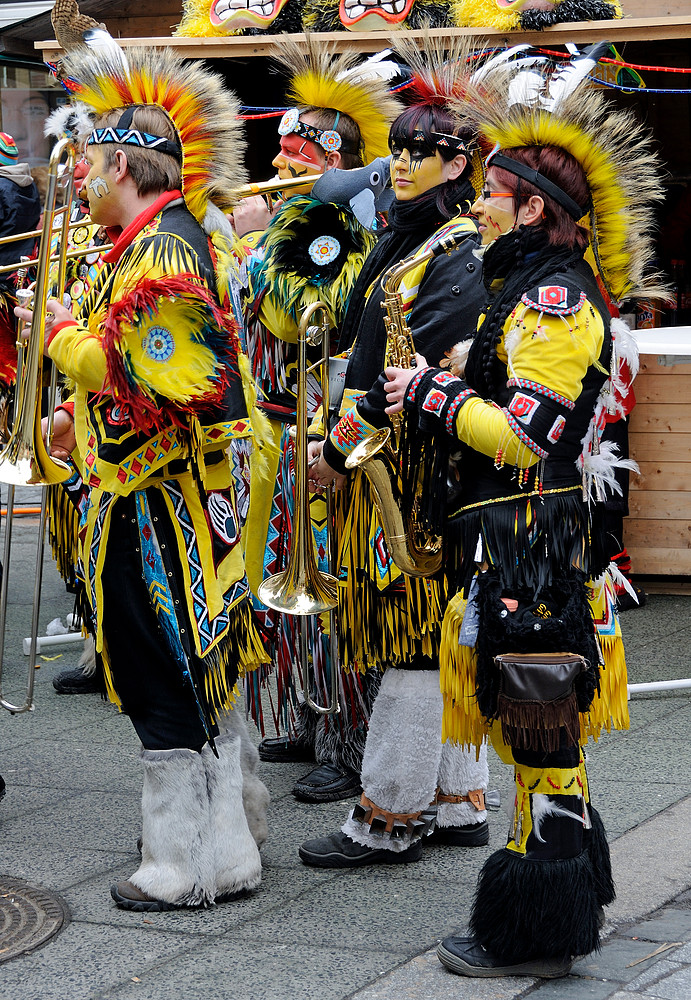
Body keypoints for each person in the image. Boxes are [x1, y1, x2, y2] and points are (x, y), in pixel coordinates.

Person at [378, 44, 662, 975]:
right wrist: (438, 373)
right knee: (539, 728)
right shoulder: (530, 291)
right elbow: (506, 379)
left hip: (531, 543)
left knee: (538, 726)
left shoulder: (551, 295)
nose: (478, 204)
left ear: (535, 209)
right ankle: (569, 890)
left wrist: (428, 399)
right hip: (518, 538)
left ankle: (536, 925)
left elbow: (528, 436)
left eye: (492, 193)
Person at [16, 45, 270, 912]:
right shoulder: (161, 239)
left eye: (88, 161)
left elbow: (162, 384)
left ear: (120, 161)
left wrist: (60, 338)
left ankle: (180, 862)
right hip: (182, 496)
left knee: (161, 671)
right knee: (197, 671)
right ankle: (227, 847)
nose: (81, 176)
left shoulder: (159, 250)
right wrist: (72, 419)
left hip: (162, 508)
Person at [299, 39, 490, 868]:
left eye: (422, 151)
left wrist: (336, 452)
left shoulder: (453, 254)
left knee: (411, 636)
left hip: (416, 477)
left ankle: (388, 815)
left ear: (459, 163)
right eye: (397, 149)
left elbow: (402, 383)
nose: (401, 163)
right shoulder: (418, 242)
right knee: (429, 629)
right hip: (402, 466)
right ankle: (454, 800)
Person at [235, 40, 400, 804]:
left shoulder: (335, 228)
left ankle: (345, 736)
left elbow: (312, 316)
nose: (277, 160)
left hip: (322, 430)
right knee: (284, 579)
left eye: (292, 150)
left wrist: (268, 240)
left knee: (329, 583)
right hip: (272, 425)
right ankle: (306, 717)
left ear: (326, 155)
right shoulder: (289, 219)